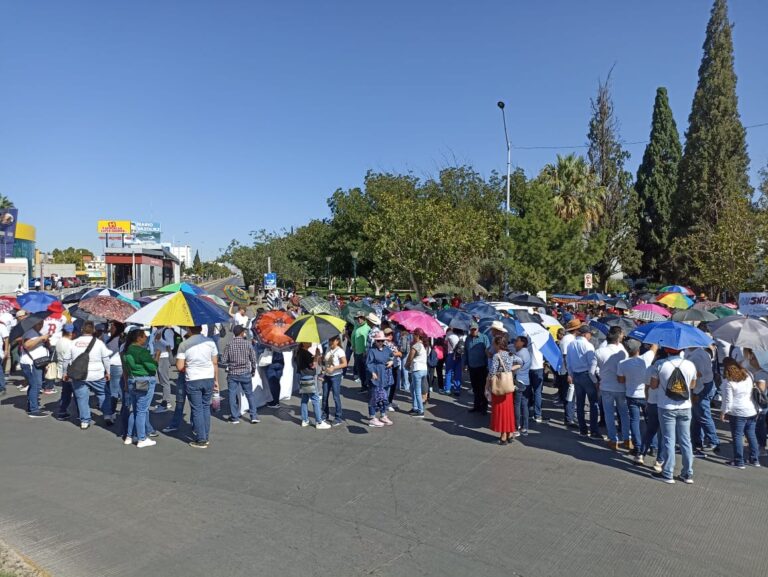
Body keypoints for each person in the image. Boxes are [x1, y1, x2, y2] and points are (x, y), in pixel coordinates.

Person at [648, 347, 697, 484]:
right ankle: (687, 473)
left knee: (669, 440)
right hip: (685, 406)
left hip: (666, 406)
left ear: (667, 350)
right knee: (686, 440)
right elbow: (692, 385)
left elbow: (653, 385)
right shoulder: (690, 364)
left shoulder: (660, 364)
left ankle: (668, 472)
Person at [62, 321, 112, 430]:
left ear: (81, 330)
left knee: (82, 398)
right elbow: (106, 359)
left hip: (79, 375)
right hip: (97, 374)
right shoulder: (99, 343)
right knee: (103, 394)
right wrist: (108, 372)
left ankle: (84, 420)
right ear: (93, 330)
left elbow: (66, 359)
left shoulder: (73, 343)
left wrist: (65, 373)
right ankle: (107, 415)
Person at [176, 326, 219, 448]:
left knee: (197, 409)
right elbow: (215, 362)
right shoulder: (210, 342)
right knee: (205, 407)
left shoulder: (184, 344)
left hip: (193, 378)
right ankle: (205, 436)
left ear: (189, 330)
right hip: (208, 377)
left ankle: (201, 439)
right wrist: (216, 381)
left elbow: (179, 366)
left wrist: (188, 364)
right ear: (200, 329)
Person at [617, 339, 658, 464]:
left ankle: (638, 447)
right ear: (638, 349)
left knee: (634, 421)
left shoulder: (622, 363)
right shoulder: (646, 358)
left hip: (631, 395)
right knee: (650, 422)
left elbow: (621, 380)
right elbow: (655, 346)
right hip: (646, 395)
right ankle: (653, 447)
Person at [720, 358, 760, 468]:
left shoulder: (728, 382)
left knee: (737, 436)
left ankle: (739, 461)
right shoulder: (749, 375)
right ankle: (754, 459)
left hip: (737, 412)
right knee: (751, 435)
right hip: (751, 410)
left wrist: (723, 412)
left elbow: (728, 401)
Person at [122, 329, 159, 447]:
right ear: (138, 338)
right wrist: (157, 356)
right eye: (144, 336)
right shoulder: (142, 351)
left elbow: (125, 369)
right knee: (142, 411)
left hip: (132, 380)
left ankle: (129, 436)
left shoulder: (126, 351)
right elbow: (153, 367)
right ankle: (141, 439)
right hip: (144, 381)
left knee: (135, 410)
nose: (146, 338)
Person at [596, 326, 629, 450]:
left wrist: (598, 379)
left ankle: (613, 439)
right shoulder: (623, 351)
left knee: (609, 414)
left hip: (606, 386)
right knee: (624, 414)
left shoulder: (599, 351)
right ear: (618, 337)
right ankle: (627, 438)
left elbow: (594, 370)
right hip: (621, 386)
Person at [686, 345, 721, 456]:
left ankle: (713, 441)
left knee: (703, 415)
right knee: (697, 417)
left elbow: (699, 377)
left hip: (701, 387)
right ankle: (697, 442)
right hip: (703, 386)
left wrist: (696, 393)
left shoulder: (697, 356)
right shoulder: (694, 352)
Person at [567, 325, 600, 438]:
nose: (590, 336)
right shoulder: (588, 345)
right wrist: (595, 380)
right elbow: (592, 364)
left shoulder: (571, 344)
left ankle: (583, 430)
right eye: (590, 334)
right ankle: (594, 431)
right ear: (585, 334)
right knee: (593, 403)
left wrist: (571, 374)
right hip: (586, 375)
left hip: (576, 375)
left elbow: (568, 362)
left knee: (580, 403)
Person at [488, 335, 522, 445]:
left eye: (494, 343)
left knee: (500, 411)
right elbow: (521, 362)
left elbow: (492, 372)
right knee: (508, 411)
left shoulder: (496, 356)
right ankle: (510, 433)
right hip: (508, 385)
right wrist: (510, 370)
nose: (493, 345)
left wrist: (487, 385)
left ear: (498, 344)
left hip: (499, 385)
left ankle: (503, 436)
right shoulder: (510, 354)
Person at [222, 325, 259, 424]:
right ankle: (253, 416)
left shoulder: (229, 344)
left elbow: (223, 360)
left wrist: (231, 362)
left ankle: (234, 417)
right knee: (249, 395)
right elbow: (253, 359)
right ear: (242, 333)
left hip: (232, 373)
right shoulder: (247, 344)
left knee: (232, 395)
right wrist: (253, 371)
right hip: (245, 372)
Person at [20, 317, 51, 418]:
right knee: (35, 385)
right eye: (39, 323)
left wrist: (45, 340)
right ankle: (34, 410)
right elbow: (27, 345)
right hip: (30, 363)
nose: (41, 325)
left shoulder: (36, 333)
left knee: (35, 385)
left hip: (37, 362)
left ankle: (32, 406)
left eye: (42, 323)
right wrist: (40, 338)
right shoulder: (30, 333)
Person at [296, 342, 330, 429]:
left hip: (302, 376)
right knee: (315, 399)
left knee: (304, 398)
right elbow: (313, 365)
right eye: (308, 341)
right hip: (308, 377)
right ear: (303, 343)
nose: (310, 342)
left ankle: (305, 420)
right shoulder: (305, 352)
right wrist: (316, 355)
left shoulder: (299, 352)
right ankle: (319, 421)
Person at [368, 329, 395, 425]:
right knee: (374, 396)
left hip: (386, 375)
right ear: (375, 341)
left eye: (382, 341)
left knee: (385, 397)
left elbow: (392, 356)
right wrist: (372, 372)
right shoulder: (372, 350)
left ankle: (383, 415)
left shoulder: (387, 349)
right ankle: (372, 416)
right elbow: (369, 363)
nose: (380, 343)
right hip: (376, 375)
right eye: (378, 341)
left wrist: (391, 361)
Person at [321, 334, 347, 425]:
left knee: (336, 396)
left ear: (337, 341)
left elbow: (344, 364)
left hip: (336, 376)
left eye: (332, 340)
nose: (330, 342)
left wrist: (334, 368)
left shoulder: (340, 351)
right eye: (329, 340)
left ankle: (338, 417)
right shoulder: (327, 349)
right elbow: (325, 361)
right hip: (327, 375)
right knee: (325, 396)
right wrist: (321, 360)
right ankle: (325, 415)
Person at [464, 321, 490, 414]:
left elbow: (488, 352)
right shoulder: (468, 339)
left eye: (474, 329)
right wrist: (465, 364)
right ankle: (476, 406)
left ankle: (484, 407)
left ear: (478, 329)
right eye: (472, 329)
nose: (473, 331)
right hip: (472, 367)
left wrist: (488, 366)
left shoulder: (484, 338)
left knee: (482, 388)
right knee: (475, 388)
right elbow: (466, 352)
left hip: (482, 367)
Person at [103, 321, 125, 423]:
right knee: (117, 389)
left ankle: (111, 413)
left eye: (112, 326)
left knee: (113, 391)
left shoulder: (116, 339)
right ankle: (117, 411)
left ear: (116, 328)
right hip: (116, 366)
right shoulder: (118, 338)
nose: (110, 328)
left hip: (114, 366)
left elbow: (110, 353)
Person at [54, 324, 76, 420]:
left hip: (61, 369)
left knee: (66, 393)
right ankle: (81, 414)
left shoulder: (59, 341)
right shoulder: (70, 343)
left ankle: (62, 411)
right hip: (70, 370)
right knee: (77, 393)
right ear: (70, 333)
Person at [151, 326, 175, 413]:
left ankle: (166, 403)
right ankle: (165, 402)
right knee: (162, 381)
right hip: (157, 357)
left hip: (164, 357)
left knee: (164, 381)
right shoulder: (157, 330)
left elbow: (171, 346)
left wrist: (160, 339)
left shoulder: (166, 331)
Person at [405, 329, 428, 419]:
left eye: (414, 334)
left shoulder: (416, 345)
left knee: (417, 391)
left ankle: (420, 410)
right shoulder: (424, 345)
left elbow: (410, 356)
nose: (412, 336)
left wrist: (407, 364)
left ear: (417, 335)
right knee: (412, 388)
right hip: (424, 369)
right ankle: (415, 407)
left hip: (417, 369)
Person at [513, 336, 531, 436]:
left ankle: (516, 427)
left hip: (519, 381)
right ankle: (524, 427)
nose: (515, 342)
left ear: (522, 343)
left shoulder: (520, 354)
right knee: (524, 405)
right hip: (525, 381)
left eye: (517, 341)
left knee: (517, 404)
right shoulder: (527, 352)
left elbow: (515, 367)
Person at [351, 313, 370, 388]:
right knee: (359, 370)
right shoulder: (356, 326)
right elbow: (353, 336)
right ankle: (363, 386)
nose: (359, 319)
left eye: (361, 317)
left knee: (365, 370)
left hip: (364, 353)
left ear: (364, 318)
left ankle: (367, 386)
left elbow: (367, 341)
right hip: (357, 352)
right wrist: (353, 345)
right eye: (357, 318)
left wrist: (366, 351)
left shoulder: (367, 328)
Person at [444, 328, 465, 395]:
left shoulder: (449, 333)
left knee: (448, 372)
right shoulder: (462, 335)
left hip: (451, 354)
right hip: (459, 355)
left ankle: (447, 389)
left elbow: (445, 342)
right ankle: (457, 389)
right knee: (458, 372)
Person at [528, 341, 545, 422]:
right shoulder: (541, 338)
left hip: (528, 366)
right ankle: (537, 415)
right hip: (538, 367)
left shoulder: (525, 335)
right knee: (537, 392)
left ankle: (527, 413)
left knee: (527, 391)